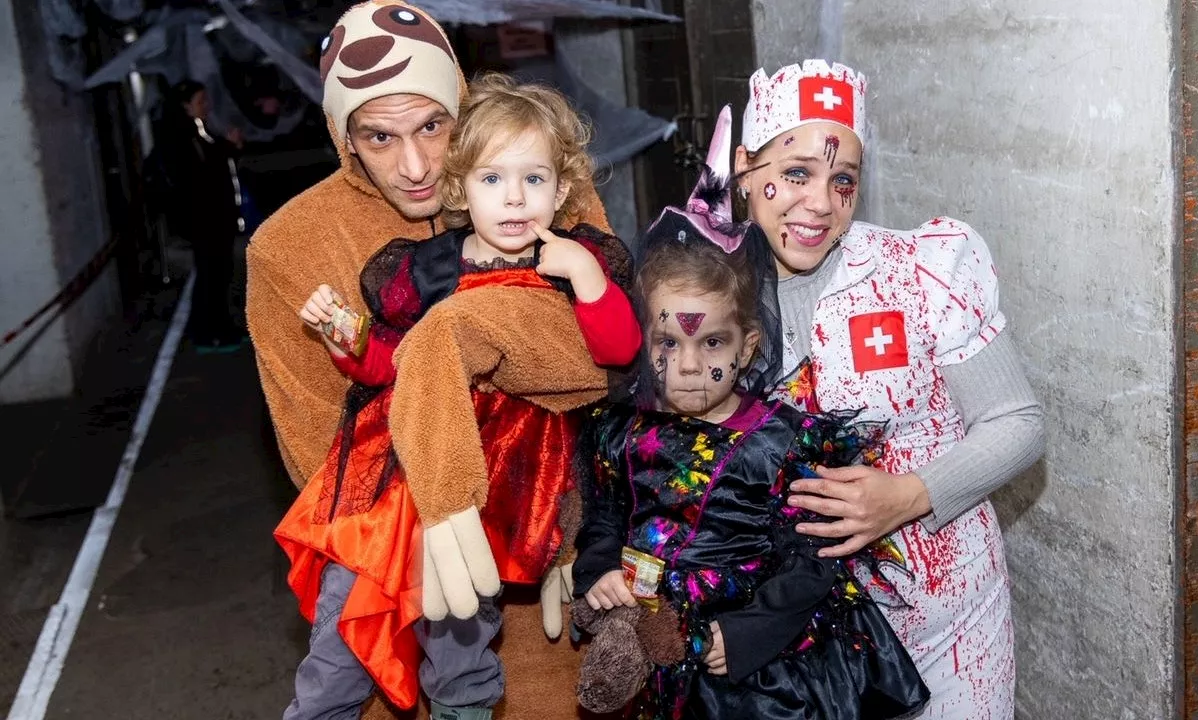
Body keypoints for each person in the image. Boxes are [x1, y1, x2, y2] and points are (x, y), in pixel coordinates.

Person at [246, 3, 616, 717]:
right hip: (403, 585)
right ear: (342, 136)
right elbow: (322, 454)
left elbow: (598, 363)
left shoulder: (530, 169)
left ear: (462, 106)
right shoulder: (290, 245)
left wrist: (569, 528)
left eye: (432, 127)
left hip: (554, 562)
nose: (414, 166)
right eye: (379, 136)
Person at [572, 107, 929, 719]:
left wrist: (746, 634)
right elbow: (606, 517)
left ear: (747, 348)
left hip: (767, 682)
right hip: (672, 677)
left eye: (711, 343)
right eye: (667, 344)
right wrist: (598, 569)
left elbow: (816, 559)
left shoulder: (779, 443)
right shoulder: (621, 434)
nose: (687, 366)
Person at [732, 60, 1046, 718]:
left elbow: (1018, 422)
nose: (820, 202)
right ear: (744, 171)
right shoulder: (708, 298)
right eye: (795, 173)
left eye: (841, 179)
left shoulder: (924, 270)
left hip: (950, 633)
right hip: (796, 644)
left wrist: (909, 495)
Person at [156, 79, 246, 352]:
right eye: (200, 101)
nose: (206, 106)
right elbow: (202, 172)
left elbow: (215, 158)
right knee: (210, 277)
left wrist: (231, 147)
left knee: (220, 275)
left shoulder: (198, 132)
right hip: (205, 221)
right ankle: (208, 334)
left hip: (216, 219)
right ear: (186, 106)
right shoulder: (183, 136)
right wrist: (229, 147)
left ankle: (221, 327)